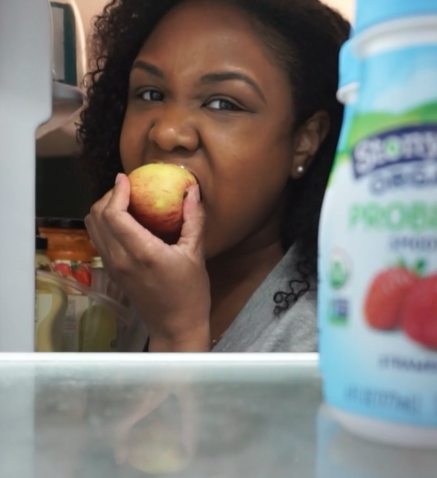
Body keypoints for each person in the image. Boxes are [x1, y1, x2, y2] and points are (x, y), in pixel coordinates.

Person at [81, 0, 350, 352]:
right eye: (151, 94)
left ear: (304, 141)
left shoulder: (323, 344)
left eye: (223, 103)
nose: (167, 132)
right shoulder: (138, 291)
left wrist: (178, 332)